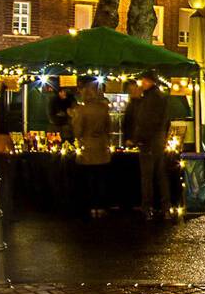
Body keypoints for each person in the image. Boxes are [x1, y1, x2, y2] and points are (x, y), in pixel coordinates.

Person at [123, 71, 172, 218]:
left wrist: (136, 139)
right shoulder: (161, 97)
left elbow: (144, 122)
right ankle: (165, 208)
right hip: (159, 141)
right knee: (161, 175)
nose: (142, 83)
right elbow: (165, 121)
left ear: (150, 81)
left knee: (147, 177)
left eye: (144, 81)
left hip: (148, 142)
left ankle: (147, 207)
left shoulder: (150, 99)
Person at [70, 80, 113, 217]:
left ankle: (90, 207)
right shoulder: (103, 108)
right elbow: (109, 128)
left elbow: (78, 130)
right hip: (101, 147)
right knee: (101, 178)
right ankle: (100, 206)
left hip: (87, 148)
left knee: (89, 179)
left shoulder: (81, 110)